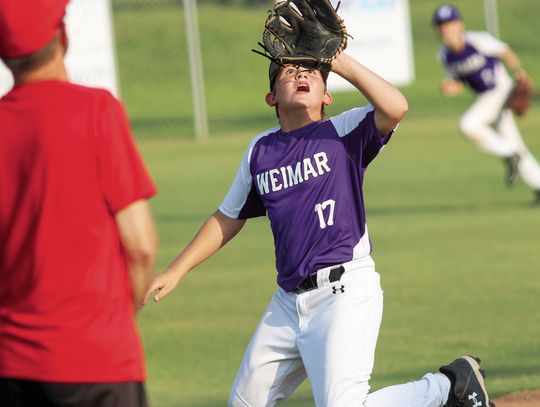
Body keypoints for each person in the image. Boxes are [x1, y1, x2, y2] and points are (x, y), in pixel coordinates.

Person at [145, 48, 494, 406]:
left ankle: (446, 387)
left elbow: (395, 107)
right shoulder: (260, 151)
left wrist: (338, 61)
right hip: (287, 303)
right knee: (244, 403)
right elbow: (228, 216)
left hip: (344, 292)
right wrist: (177, 270)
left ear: (326, 94)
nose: (300, 74)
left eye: (311, 71)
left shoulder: (342, 131)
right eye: (288, 71)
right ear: (271, 97)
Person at [0, 1, 157, 406]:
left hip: (12, 366)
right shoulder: (95, 110)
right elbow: (140, 246)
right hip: (98, 361)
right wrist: (117, 322)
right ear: (61, 37)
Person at [433, 3, 540, 205]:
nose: (446, 29)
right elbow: (457, 80)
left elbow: (504, 51)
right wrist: (450, 86)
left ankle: (509, 153)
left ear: (460, 25)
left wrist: (519, 71)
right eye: (441, 25)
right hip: (486, 99)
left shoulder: (476, 40)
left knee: (467, 125)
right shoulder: (444, 55)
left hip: (501, 91)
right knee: (515, 143)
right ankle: (529, 173)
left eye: (449, 23)